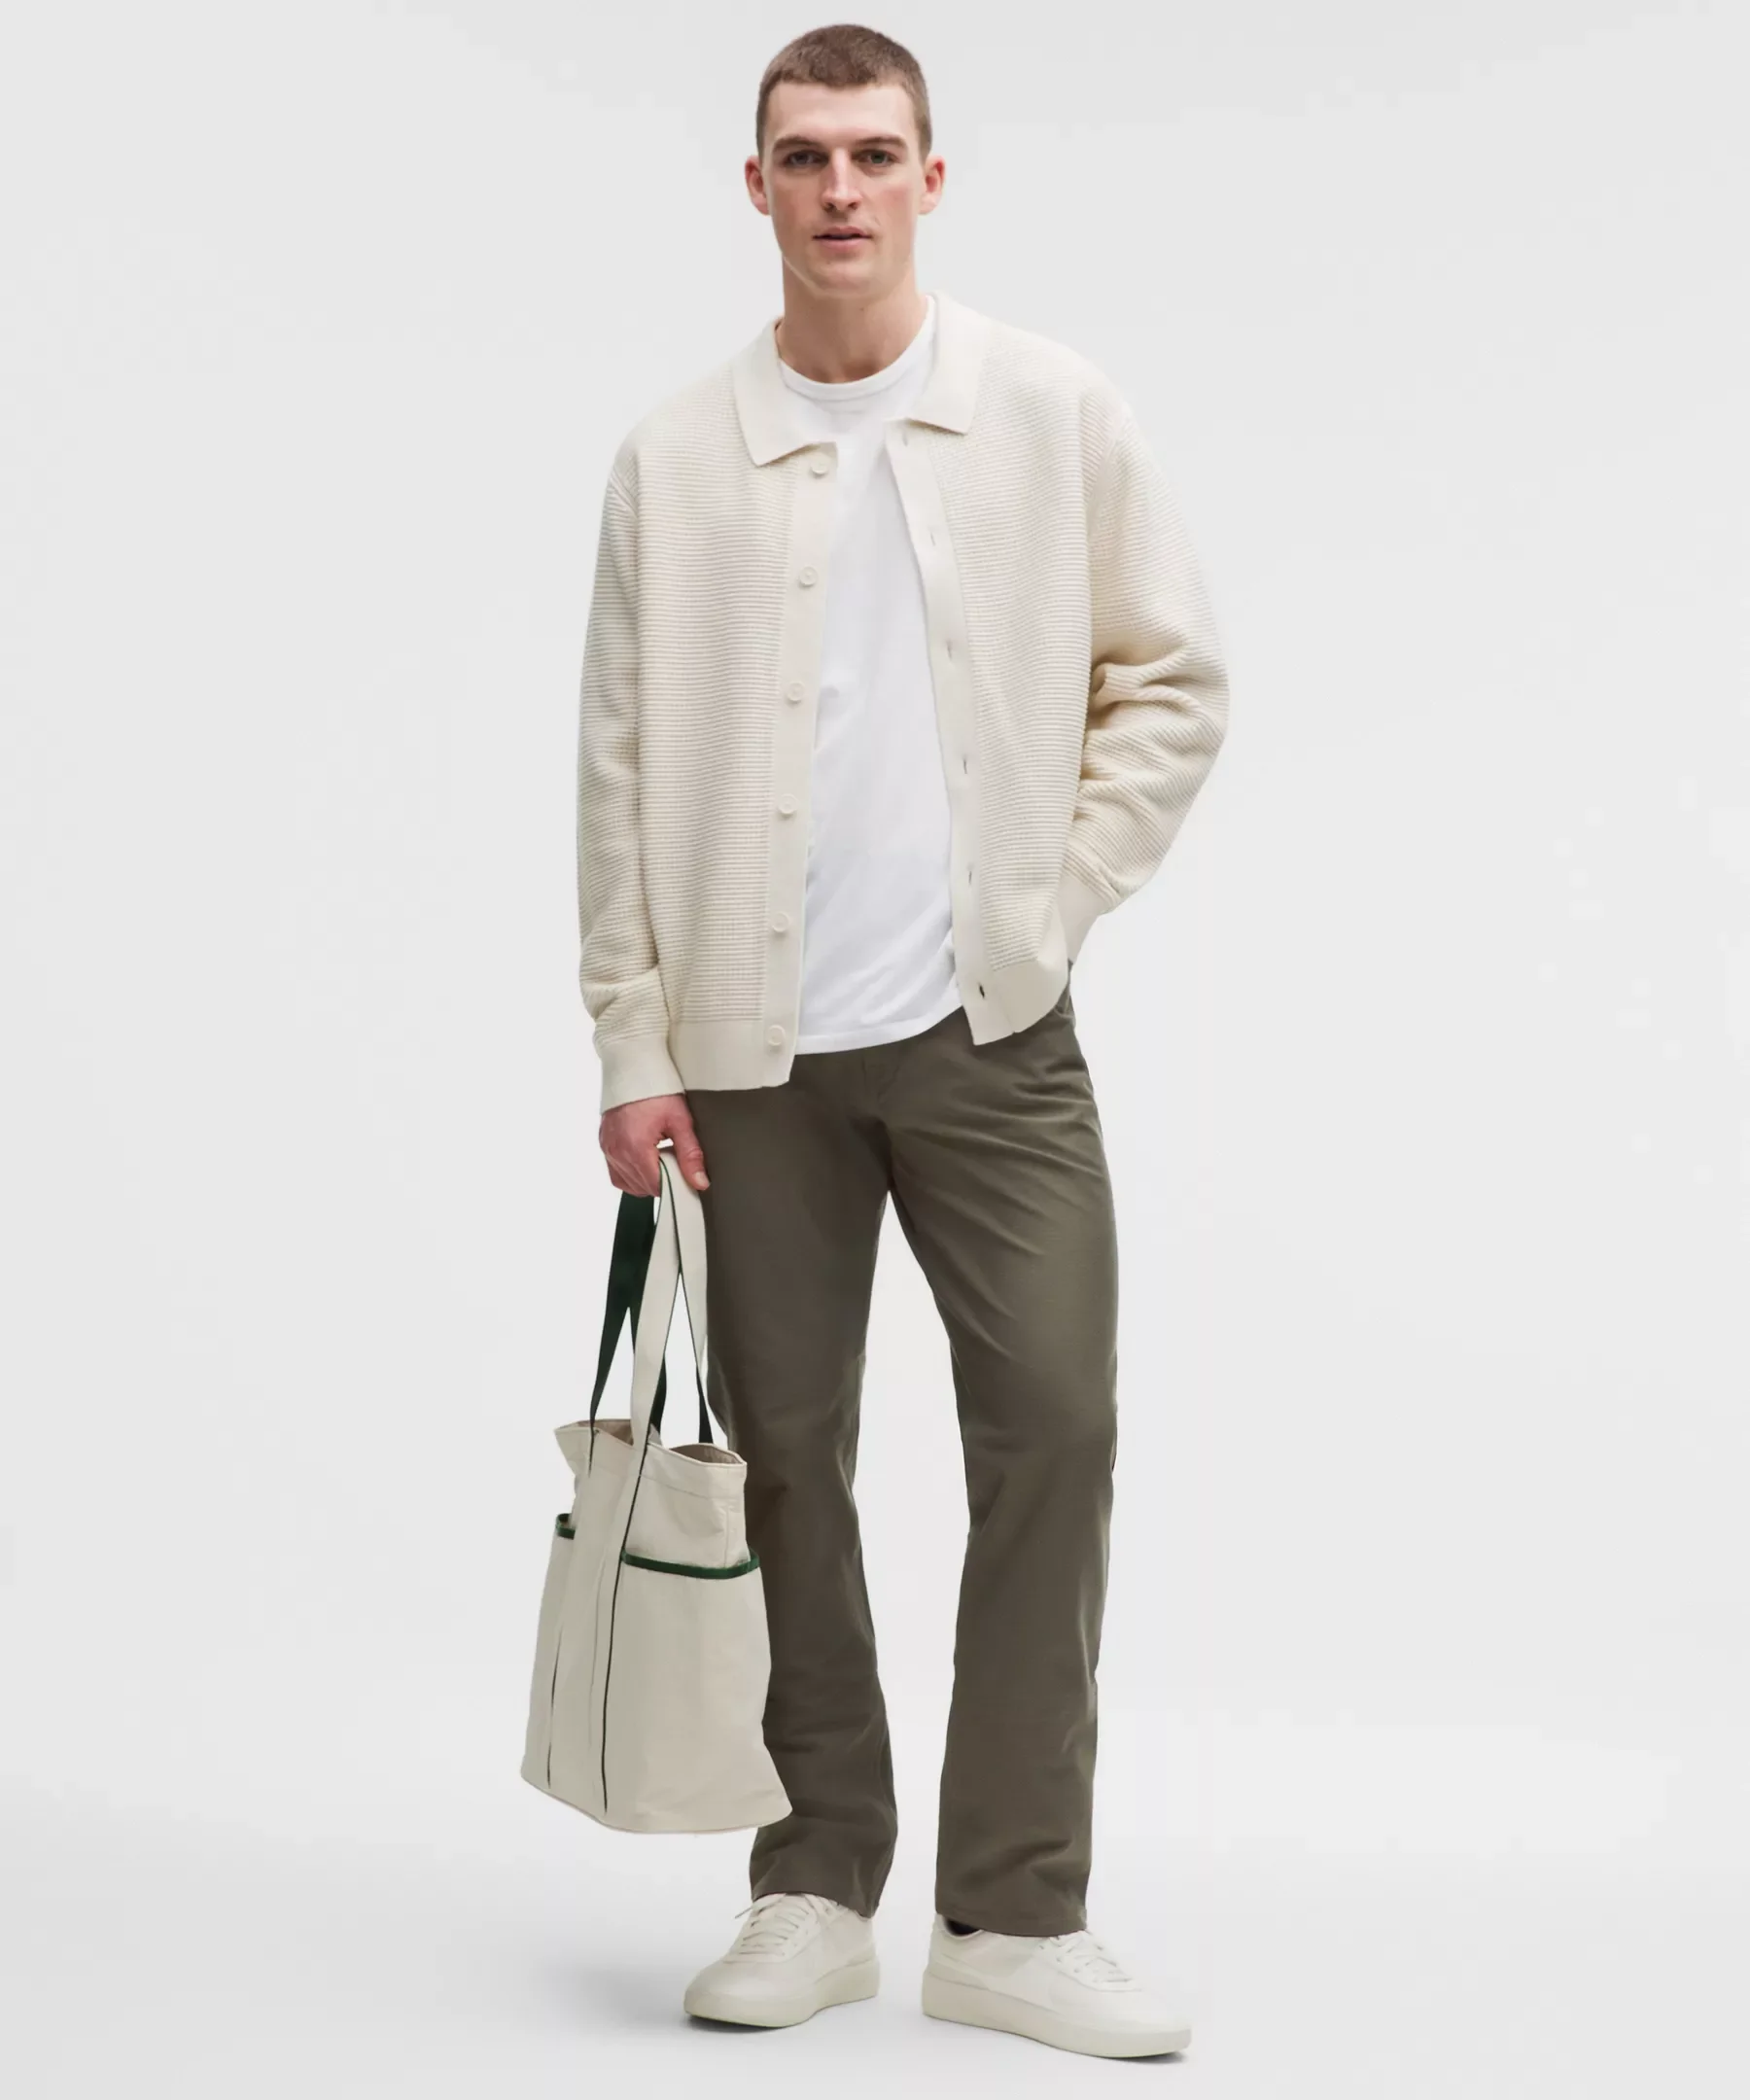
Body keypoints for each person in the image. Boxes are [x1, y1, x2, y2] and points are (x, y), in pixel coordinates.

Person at [576, 22, 1229, 2062]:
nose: (841, 188)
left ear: (932, 178)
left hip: (991, 1037)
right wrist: (629, 1039)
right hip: (747, 1059)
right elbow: (614, 773)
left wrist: (1053, 895)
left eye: (875, 154)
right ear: (755, 186)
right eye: (805, 155)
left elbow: (1173, 680)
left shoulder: (1049, 410)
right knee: (787, 1463)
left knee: (1058, 1428)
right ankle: (812, 1881)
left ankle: (1014, 1916)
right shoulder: (675, 460)